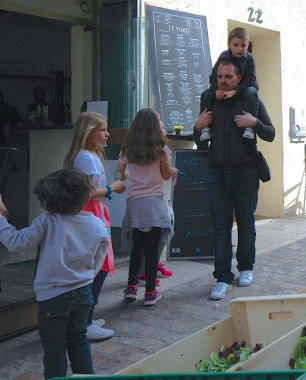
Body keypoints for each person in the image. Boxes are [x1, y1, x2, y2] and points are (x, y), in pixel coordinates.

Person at [0, 169, 110, 379]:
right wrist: (85, 278)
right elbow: (99, 258)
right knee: (79, 341)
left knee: (55, 350)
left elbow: (16, 242)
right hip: (83, 293)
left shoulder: (48, 220)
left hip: (53, 298)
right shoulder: (97, 224)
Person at [193, 60, 275, 300]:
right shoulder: (211, 102)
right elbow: (201, 141)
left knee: (247, 223)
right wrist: (197, 126)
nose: (223, 80)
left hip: (246, 172)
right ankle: (222, 277)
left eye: (228, 76)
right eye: (219, 76)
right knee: (220, 228)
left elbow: (270, 133)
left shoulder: (250, 100)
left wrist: (254, 123)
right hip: (217, 173)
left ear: (238, 78)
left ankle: (246, 268)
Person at [64, 112, 125, 341]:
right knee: (97, 268)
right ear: (89, 133)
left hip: (95, 214)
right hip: (91, 215)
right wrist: (111, 188)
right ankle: (84, 322)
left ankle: (86, 318)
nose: (107, 134)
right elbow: (86, 193)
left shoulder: (86, 156)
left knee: (98, 266)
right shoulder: (86, 158)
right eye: (102, 130)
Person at [116, 109, 176, 307]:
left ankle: (131, 288)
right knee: (152, 250)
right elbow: (166, 176)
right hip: (154, 204)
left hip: (135, 203)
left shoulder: (128, 149)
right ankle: (150, 292)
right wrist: (171, 169)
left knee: (137, 248)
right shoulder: (161, 150)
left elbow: (120, 173)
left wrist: (131, 179)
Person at [198, 27, 259, 142]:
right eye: (236, 45)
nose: (240, 49)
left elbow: (250, 81)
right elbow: (213, 78)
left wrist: (234, 91)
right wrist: (216, 91)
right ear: (229, 45)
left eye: (243, 45)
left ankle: (250, 127)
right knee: (206, 94)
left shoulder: (250, 59)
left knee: (252, 92)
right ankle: (205, 128)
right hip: (226, 91)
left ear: (247, 45)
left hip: (245, 88)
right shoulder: (224, 56)